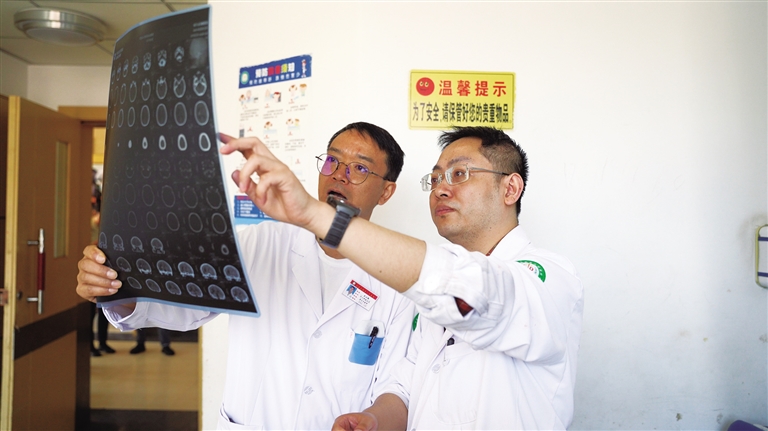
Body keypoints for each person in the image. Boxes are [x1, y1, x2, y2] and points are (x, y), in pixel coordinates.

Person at [190, 125, 582, 430]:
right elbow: (403, 387)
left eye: (459, 174)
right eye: (435, 179)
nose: (441, 189)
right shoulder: (423, 299)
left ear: (511, 188)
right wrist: (375, 419)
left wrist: (315, 215)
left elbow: (477, 293)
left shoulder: (549, 279)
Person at [76, 122, 415, 429]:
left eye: (360, 168)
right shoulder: (260, 244)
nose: (339, 174)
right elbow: (183, 307)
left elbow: (395, 385)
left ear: (386, 192)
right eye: (333, 161)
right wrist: (114, 287)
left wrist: (373, 419)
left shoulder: (399, 279)